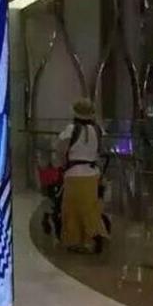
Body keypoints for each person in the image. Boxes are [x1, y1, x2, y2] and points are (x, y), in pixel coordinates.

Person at [56, 98, 108, 253]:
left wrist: (62, 165)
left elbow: (61, 150)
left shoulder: (70, 130)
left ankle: (75, 240)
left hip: (73, 174)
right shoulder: (97, 130)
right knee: (90, 207)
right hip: (92, 173)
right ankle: (93, 235)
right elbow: (100, 151)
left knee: (72, 209)